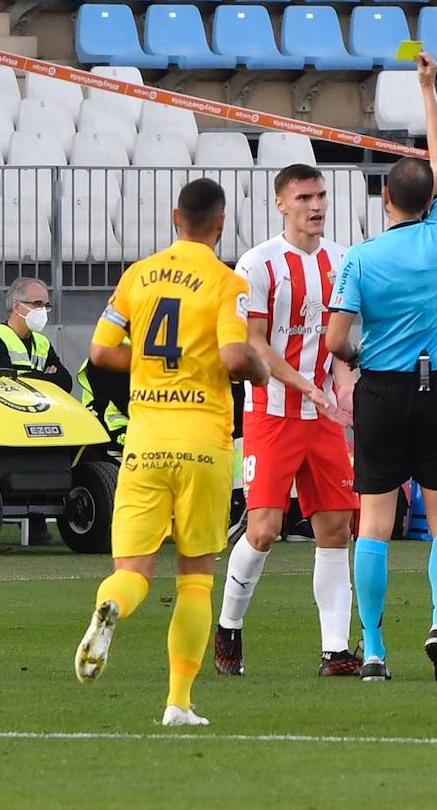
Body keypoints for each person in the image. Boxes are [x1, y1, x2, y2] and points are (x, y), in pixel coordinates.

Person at [73, 177, 270, 727]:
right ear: (221, 223)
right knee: (195, 578)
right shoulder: (226, 282)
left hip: (145, 440)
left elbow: (99, 352)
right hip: (203, 445)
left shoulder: (137, 275)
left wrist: (148, 366)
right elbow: (233, 356)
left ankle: (112, 606)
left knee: (133, 571)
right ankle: (178, 702)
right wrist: (258, 369)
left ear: (174, 218)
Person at [325, 51, 437, 683]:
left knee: (376, 524)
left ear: (384, 197)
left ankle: (375, 648)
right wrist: (427, 91)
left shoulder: (358, 258)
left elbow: (334, 341)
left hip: (381, 391)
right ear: (429, 200)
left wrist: (361, 358)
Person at [215, 163, 361, 678]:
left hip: (322, 417)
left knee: (336, 528)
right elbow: (254, 344)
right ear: (281, 204)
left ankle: (336, 651)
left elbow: (340, 341)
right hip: (272, 412)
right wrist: (302, 384)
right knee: (264, 530)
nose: (315, 205)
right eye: (303, 197)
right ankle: (229, 627)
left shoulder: (343, 260)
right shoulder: (257, 265)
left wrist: (343, 383)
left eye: (320, 195)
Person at [0, 276, 72, 546]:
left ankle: (41, 517)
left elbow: (64, 381)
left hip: (38, 417)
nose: (42, 311)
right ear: (17, 306)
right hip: (2, 421)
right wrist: (42, 377)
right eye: (37, 304)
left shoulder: (41, 342)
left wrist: (30, 377)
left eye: (46, 305)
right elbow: (3, 385)